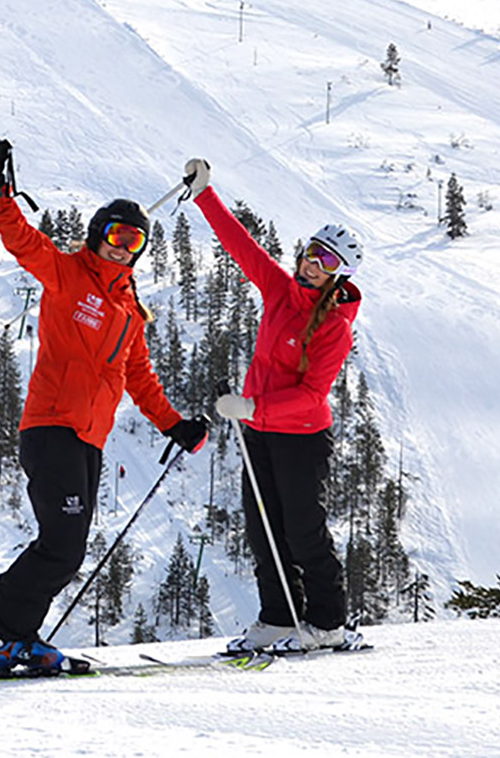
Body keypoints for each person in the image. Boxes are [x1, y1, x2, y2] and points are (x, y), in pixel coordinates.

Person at [0, 138, 210, 673]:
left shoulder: (130, 310)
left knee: (68, 547)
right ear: (98, 235)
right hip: (51, 426)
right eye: (117, 236)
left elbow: (139, 377)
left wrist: (176, 426)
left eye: (136, 240)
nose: (125, 247)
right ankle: (1, 636)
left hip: (88, 439)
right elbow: (21, 240)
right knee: (60, 542)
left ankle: (16, 636)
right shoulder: (67, 274)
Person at [181, 158, 365, 652]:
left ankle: (327, 623)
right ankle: (279, 618)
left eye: (326, 263)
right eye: (311, 253)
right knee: (263, 530)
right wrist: (205, 194)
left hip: (301, 437)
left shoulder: (334, 328)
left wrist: (251, 408)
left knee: (303, 530)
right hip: (259, 430)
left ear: (339, 275)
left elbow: (311, 395)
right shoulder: (281, 291)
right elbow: (242, 247)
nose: (312, 265)